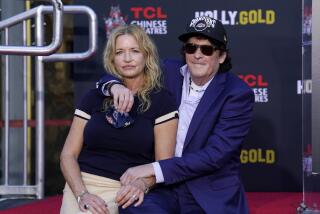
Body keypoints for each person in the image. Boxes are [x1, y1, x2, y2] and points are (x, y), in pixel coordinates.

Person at [98, 16, 254, 214]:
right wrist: (114, 86)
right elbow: (127, 68)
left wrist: (155, 169)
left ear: (221, 56)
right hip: (163, 188)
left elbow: (214, 156)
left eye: (206, 49)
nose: (197, 55)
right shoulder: (168, 71)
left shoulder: (237, 94)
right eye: (191, 48)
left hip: (206, 190)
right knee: (133, 207)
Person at [59, 24, 178, 214]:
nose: (127, 58)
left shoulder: (162, 101)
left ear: (146, 55)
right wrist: (82, 194)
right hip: (83, 185)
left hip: (126, 189)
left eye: (134, 51)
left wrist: (141, 184)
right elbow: (68, 155)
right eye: (120, 52)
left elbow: (163, 164)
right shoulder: (94, 96)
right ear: (112, 59)